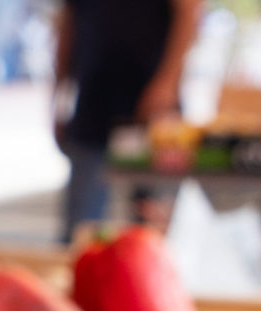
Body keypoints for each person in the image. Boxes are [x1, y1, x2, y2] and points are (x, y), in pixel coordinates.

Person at [54, 0, 199, 238]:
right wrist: (59, 97)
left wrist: (167, 82)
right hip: (93, 101)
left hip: (150, 108)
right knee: (80, 228)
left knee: (155, 227)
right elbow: (68, 23)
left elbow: (189, 11)